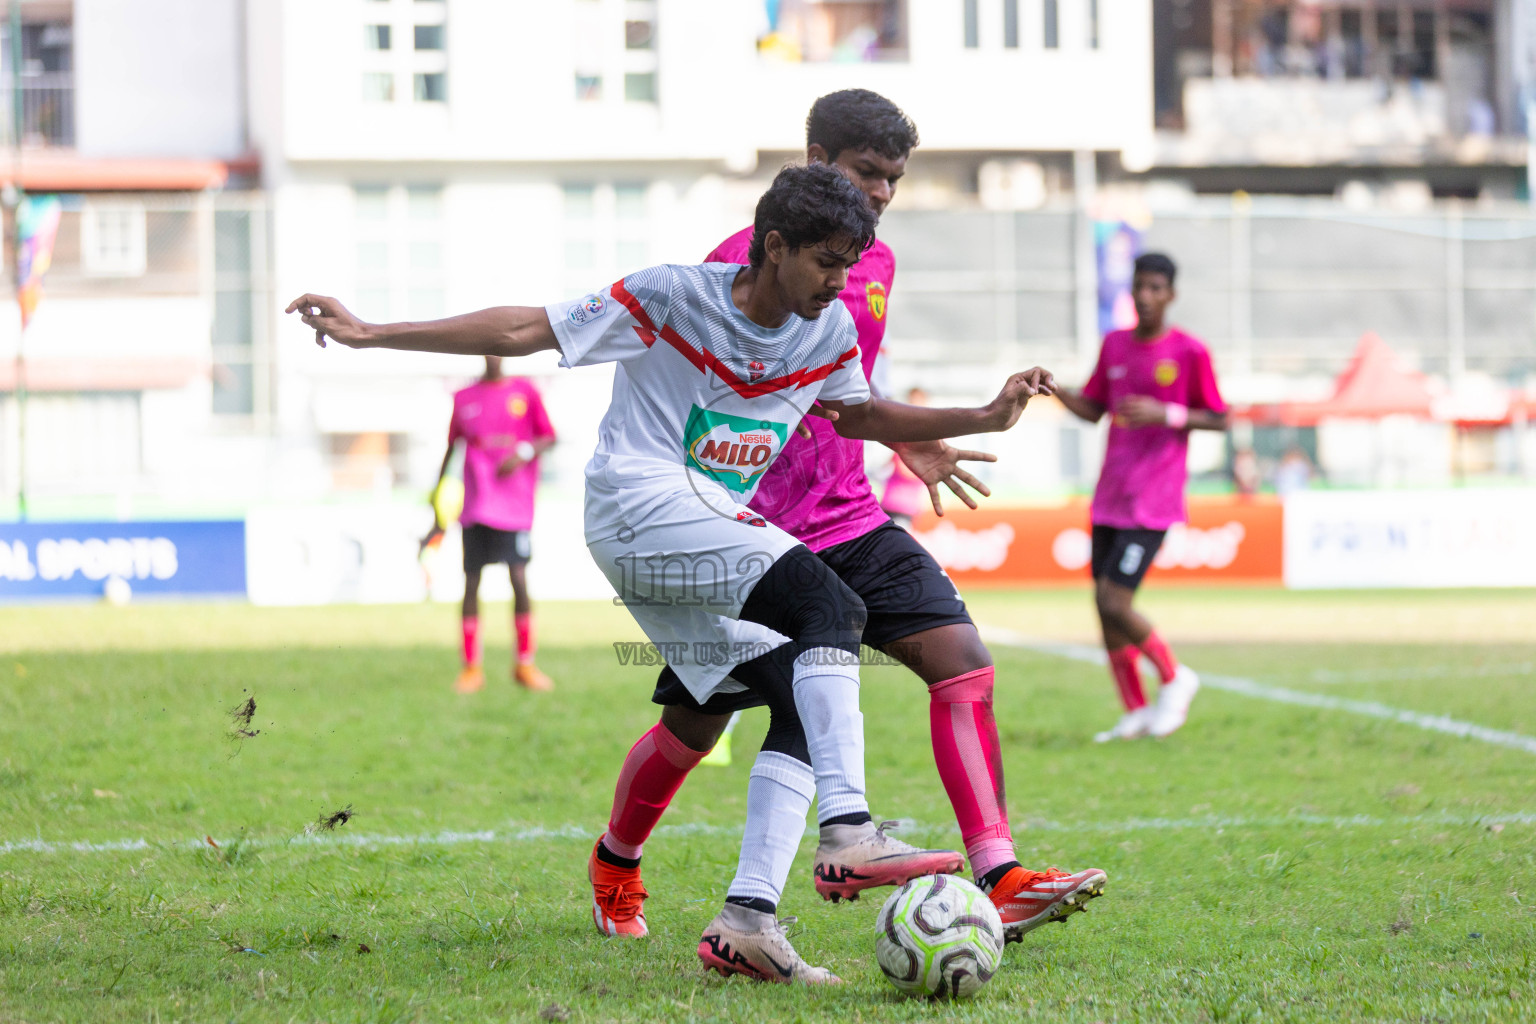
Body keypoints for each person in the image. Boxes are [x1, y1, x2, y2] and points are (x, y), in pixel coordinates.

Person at [289, 163, 1056, 983]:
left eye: (849, 263)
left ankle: (746, 921)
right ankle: (847, 832)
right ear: (774, 246)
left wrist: (980, 415)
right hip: (635, 504)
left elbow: (859, 413)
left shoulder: (827, 329)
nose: (840, 281)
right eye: (827, 261)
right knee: (831, 608)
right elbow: (526, 330)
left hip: (700, 526)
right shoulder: (672, 296)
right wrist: (372, 333)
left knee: (796, 681)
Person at [588, 90, 1105, 952]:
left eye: (895, 179)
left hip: (848, 515)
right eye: (868, 172)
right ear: (818, 158)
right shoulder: (739, 261)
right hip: (745, 530)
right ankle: (619, 861)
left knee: (961, 660)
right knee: (699, 723)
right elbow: (713, 398)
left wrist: (919, 440)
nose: (883, 193)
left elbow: (845, 395)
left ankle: (1000, 875)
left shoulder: (877, 264)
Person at [1056, 252, 1229, 742]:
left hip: (1153, 500)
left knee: (1116, 601)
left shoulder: (1190, 352)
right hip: (1110, 494)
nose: (1147, 296)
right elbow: (1093, 409)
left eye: (1156, 288)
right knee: (1103, 606)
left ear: (1171, 294)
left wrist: (1166, 412)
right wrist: (1054, 389)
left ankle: (1175, 677)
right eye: (1140, 287)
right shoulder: (1114, 345)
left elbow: (1220, 417)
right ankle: (1134, 709)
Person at [436, 356, 557, 694]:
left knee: (518, 577)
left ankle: (524, 664)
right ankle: (472, 668)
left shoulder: (525, 392)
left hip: (514, 505)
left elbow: (548, 436)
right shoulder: (463, 397)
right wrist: (437, 501)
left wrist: (523, 452)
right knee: (471, 581)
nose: (494, 356)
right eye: (487, 349)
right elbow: (451, 448)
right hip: (476, 504)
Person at [880, 386, 932, 529]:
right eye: (911, 401)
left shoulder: (929, 434)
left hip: (905, 507)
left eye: (917, 401)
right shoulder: (904, 431)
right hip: (888, 502)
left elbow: (911, 471)